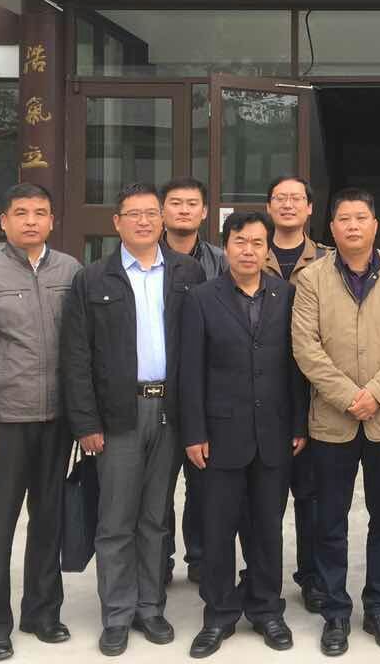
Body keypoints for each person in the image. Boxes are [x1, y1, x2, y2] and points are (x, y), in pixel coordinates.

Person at [61, 183, 205, 657]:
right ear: (116, 223)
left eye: (150, 213)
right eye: (133, 214)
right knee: (116, 519)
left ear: (162, 221)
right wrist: (86, 423)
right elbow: (76, 357)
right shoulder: (92, 278)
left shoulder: (187, 272)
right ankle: (118, 613)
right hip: (118, 413)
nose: (143, 221)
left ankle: (150, 606)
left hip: (170, 411)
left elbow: (200, 348)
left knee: (155, 517)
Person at [0, 183, 81, 662]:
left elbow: (83, 345)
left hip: (57, 420)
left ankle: (42, 613)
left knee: (49, 521)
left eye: (40, 212)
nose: (31, 221)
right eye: (20, 213)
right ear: (3, 221)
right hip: (1, 422)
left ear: (52, 221)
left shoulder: (70, 271)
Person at [291, 187, 380, 657]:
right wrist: (350, 396)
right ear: (331, 228)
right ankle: (335, 611)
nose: (352, 225)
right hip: (333, 421)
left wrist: (377, 394)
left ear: (375, 225)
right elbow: (305, 346)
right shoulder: (311, 279)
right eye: (344, 218)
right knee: (329, 520)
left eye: (361, 217)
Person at [180, 210, 309, 658]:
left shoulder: (286, 294)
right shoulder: (201, 298)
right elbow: (190, 371)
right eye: (240, 242)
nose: (249, 251)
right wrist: (194, 432)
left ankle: (266, 609)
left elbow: (296, 366)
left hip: (274, 432)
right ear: (226, 246)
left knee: (267, 529)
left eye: (257, 243)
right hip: (219, 435)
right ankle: (218, 614)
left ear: (267, 248)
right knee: (217, 529)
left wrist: (299, 423)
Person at [262, 174, 332, 613]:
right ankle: (260, 578)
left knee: (312, 497)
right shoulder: (251, 252)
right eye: (280, 198)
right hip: (261, 392)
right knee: (262, 500)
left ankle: (313, 577)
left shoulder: (327, 260)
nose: (288, 205)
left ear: (309, 207)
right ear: (269, 206)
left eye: (296, 199)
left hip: (313, 394)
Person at [158, 176, 226, 586]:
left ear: (204, 212)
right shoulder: (145, 256)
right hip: (159, 390)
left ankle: (201, 558)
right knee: (158, 486)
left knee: (205, 484)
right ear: (162, 211)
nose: (183, 210)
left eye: (191, 204)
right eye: (175, 203)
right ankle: (159, 561)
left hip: (207, 390)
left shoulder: (221, 260)